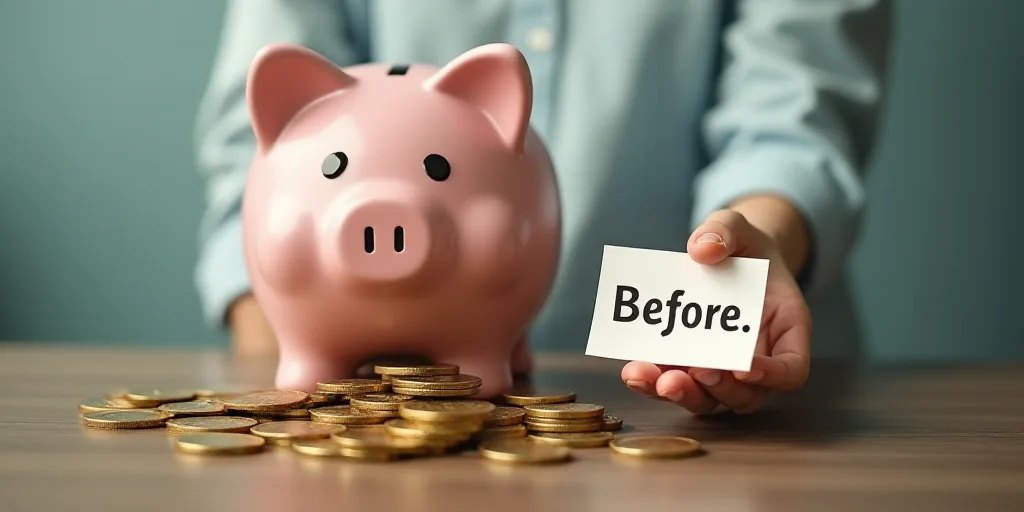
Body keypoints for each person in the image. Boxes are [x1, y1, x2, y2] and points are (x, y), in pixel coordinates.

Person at [193, 0, 892, 415]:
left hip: (712, 398)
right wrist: (320, 403)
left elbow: (793, 110)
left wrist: (753, 241)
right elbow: (251, 154)